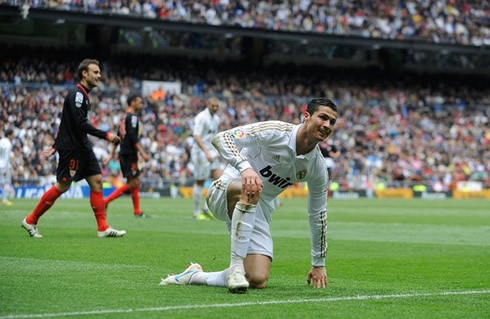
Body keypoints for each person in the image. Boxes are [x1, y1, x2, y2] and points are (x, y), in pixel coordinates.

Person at [161, 98, 338, 293]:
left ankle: (194, 276)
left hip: (259, 208)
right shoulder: (276, 131)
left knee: (257, 279)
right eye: (323, 117)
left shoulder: (318, 167)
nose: (327, 125)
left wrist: (319, 262)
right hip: (226, 190)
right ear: (306, 116)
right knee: (252, 186)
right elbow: (222, 138)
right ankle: (236, 266)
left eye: (332, 122)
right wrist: (245, 168)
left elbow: (318, 214)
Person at [21, 58, 126, 238]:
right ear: (84, 74)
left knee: (97, 181)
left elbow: (66, 122)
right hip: (73, 149)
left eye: (99, 72)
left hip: (83, 146)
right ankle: (30, 220)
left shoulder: (83, 95)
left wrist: (55, 144)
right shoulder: (77, 94)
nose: (99, 76)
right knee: (62, 186)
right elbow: (79, 123)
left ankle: (103, 228)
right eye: (95, 72)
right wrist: (106, 135)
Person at [104, 93, 151, 217]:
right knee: (133, 182)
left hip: (123, 153)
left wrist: (111, 154)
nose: (141, 104)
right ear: (133, 102)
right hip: (130, 154)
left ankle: (137, 211)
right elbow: (133, 137)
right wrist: (143, 153)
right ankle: (106, 201)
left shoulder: (123, 118)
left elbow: (117, 137)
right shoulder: (133, 117)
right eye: (139, 102)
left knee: (134, 181)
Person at [191, 97, 222, 220]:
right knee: (200, 181)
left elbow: (213, 137)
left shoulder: (216, 119)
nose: (215, 108)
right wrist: (206, 152)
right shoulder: (201, 117)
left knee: (221, 180)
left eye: (217, 106)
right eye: (213, 106)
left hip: (211, 153)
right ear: (207, 104)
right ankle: (196, 212)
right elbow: (196, 135)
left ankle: (207, 208)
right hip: (200, 152)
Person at [0, 129, 14, 206]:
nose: (13, 136)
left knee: (2, 182)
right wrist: (5, 169)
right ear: (9, 135)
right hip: (5, 166)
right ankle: (5, 200)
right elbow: (6, 157)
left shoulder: (1, 141)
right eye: (12, 135)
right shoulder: (8, 144)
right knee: (6, 183)